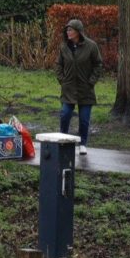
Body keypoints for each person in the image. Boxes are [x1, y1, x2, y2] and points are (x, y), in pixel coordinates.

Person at [56, 18, 102, 155]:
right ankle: (62, 139)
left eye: (71, 29)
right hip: (68, 88)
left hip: (85, 88)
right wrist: (62, 80)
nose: (68, 32)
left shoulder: (91, 46)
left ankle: (83, 144)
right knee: (65, 114)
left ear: (78, 32)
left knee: (84, 119)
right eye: (67, 30)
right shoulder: (64, 47)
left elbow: (98, 64)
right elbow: (58, 64)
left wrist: (91, 81)